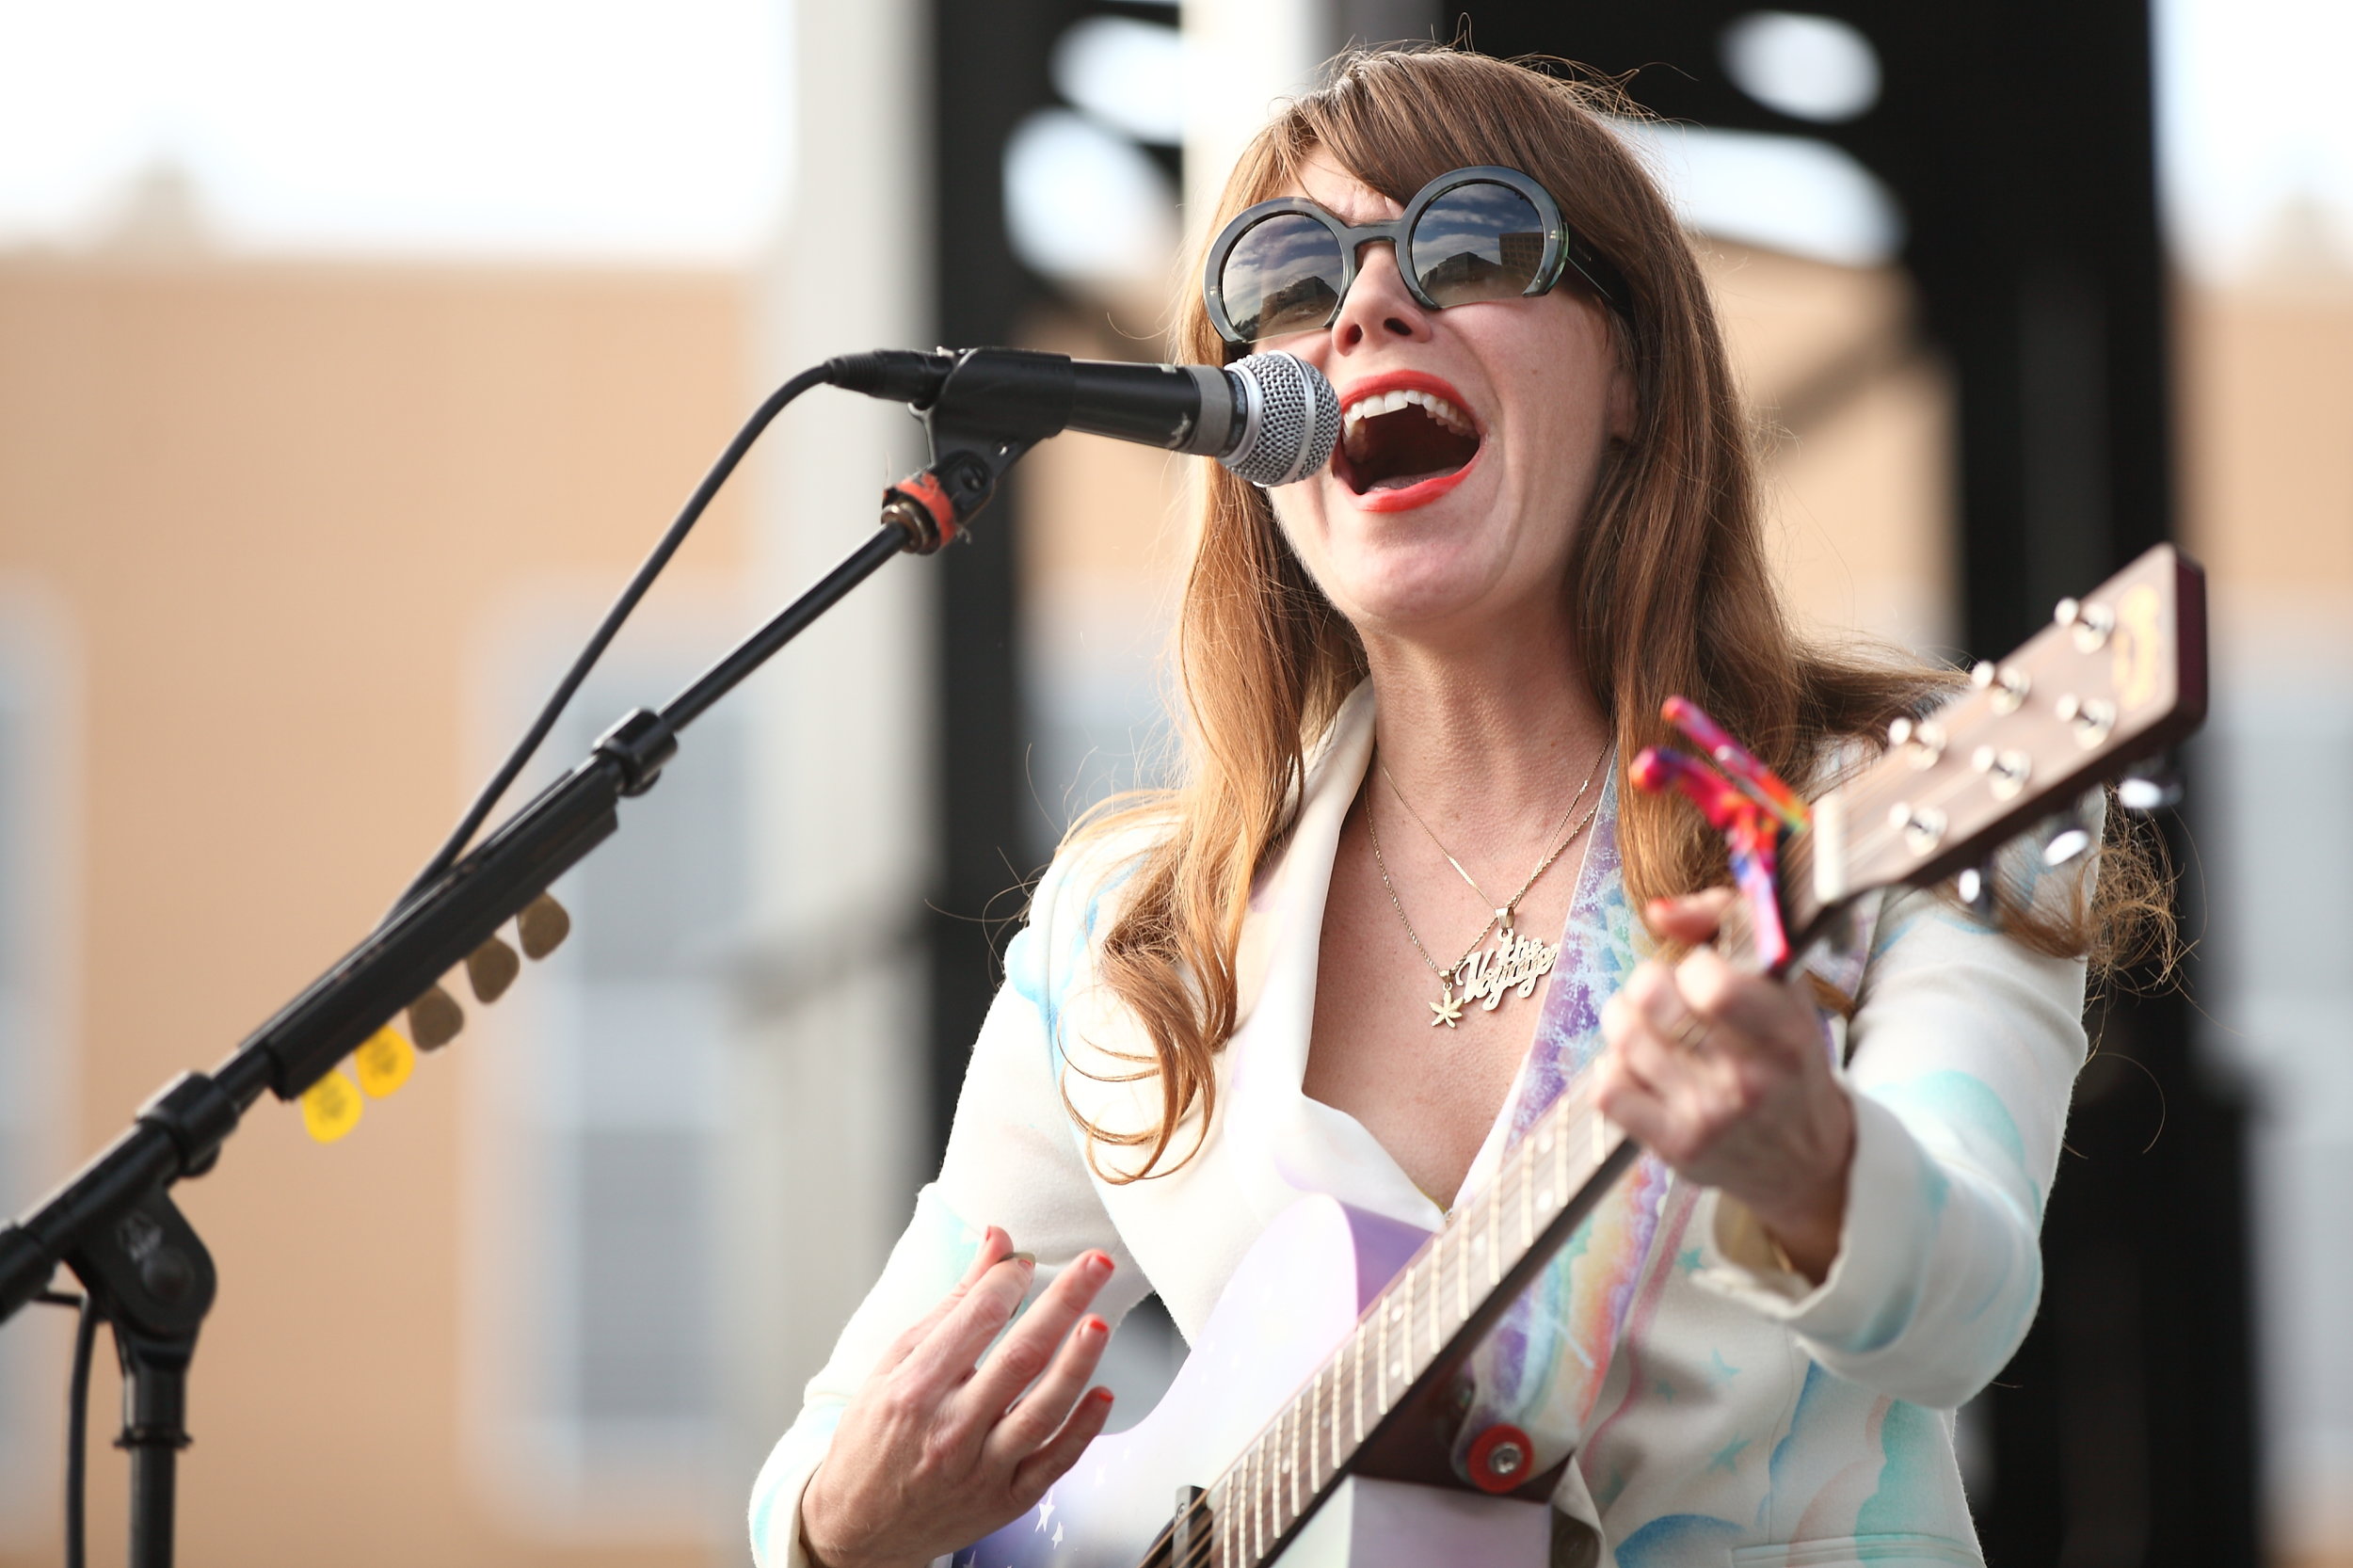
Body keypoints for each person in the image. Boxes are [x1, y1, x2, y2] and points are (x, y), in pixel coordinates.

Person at [750, 46, 2155, 1568]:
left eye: (1470, 243)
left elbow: (1964, 1303)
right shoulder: (1128, 937)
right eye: (1286, 277)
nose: (1362, 311)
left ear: (1631, 372)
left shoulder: (1887, 800)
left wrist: (1812, 1162)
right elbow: (826, 1460)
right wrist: (848, 1525)